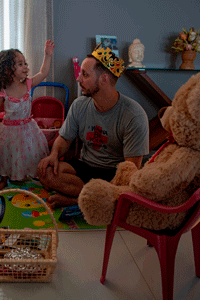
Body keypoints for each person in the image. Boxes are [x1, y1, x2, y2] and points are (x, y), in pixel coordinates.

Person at [37, 44, 149, 208]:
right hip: (85, 168)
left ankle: (76, 200)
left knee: (126, 187)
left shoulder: (134, 115)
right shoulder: (79, 105)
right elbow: (64, 138)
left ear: (104, 79)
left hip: (114, 174)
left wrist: (112, 187)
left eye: (85, 74)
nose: (78, 79)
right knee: (46, 171)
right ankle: (93, 199)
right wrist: (53, 154)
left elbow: (130, 170)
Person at [0, 40, 55, 190]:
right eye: (20, 64)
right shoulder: (3, 89)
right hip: (9, 131)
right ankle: (4, 177)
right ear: (7, 69)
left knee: (31, 153)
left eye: (25, 63)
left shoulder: (28, 84)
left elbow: (43, 73)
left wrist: (47, 55)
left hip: (28, 128)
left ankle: (36, 175)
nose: (25, 66)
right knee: (6, 155)